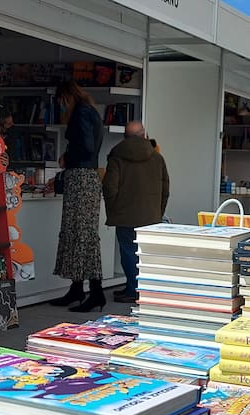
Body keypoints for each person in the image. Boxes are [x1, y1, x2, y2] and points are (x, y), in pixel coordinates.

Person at [50, 81, 106, 312]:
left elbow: (86, 146)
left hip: (80, 179)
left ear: (66, 97)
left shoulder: (80, 113)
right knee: (82, 234)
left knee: (80, 234)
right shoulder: (90, 110)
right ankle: (80, 288)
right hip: (88, 178)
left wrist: (67, 156)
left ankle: (94, 291)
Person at [102, 121, 169, 304]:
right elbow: (165, 189)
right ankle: (141, 289)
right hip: (151, 216)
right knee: (145, 256)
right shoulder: (157, 158)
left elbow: (109, 187)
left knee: (129, 254)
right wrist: (158, 211)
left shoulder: (116, 157)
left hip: (125, 216)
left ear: (125, 137)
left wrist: (114, 209)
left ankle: (133, 289)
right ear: (144, 134)